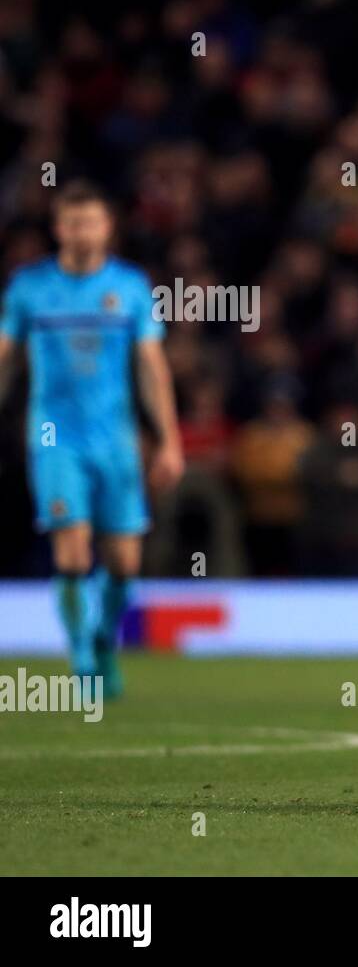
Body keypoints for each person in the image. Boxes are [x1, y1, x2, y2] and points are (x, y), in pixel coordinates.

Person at [0, 180, 184, 696]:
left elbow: (151, 366)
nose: (82, 231)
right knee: (73, 553)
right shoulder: (29, 288)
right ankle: (80, 651)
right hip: (56, 438)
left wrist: (169, 440)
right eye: (73, 222)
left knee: (125, 562)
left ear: (107, 228)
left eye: (92, 221)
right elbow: (6, 358)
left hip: (117, 442)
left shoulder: (128, 287)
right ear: (59, 228)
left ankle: (104, 637)